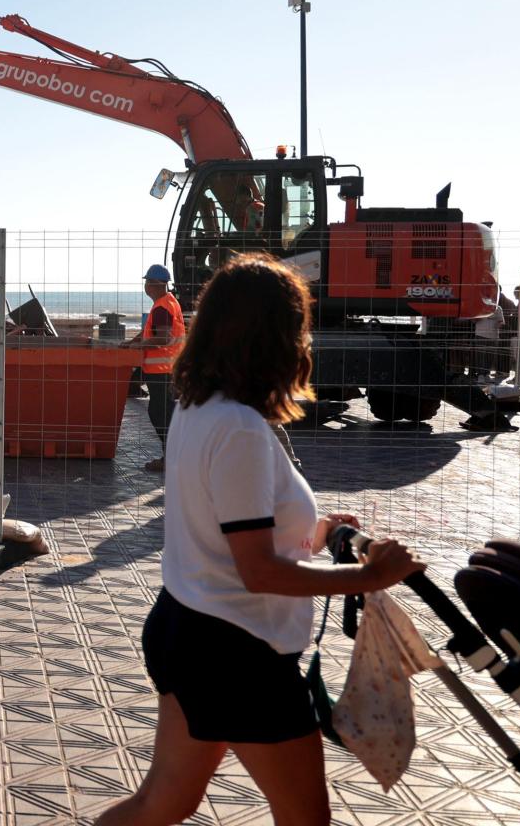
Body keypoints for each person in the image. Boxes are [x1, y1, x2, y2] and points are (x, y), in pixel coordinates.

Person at [97, 254, 425, 826]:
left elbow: (233, 531)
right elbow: (259, 572)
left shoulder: (201, 410)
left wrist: (318, 534)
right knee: (305, 819)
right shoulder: (240, 430)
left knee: (164, 803)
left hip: (190, 629)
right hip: (237, 654)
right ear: (275, 337)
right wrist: (369, 577)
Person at [124, 264, 185, 472]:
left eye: (147, 282)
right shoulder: (167, 302)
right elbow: (150, 332)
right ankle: (172, 456)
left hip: (161, 370)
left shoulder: (161, 307)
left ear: (153, 284)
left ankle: (171, 458)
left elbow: (162, 337)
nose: (145, 287)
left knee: (160, 414)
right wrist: (131, 342)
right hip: (165, 368)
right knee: (163, 413)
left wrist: (138, 346)